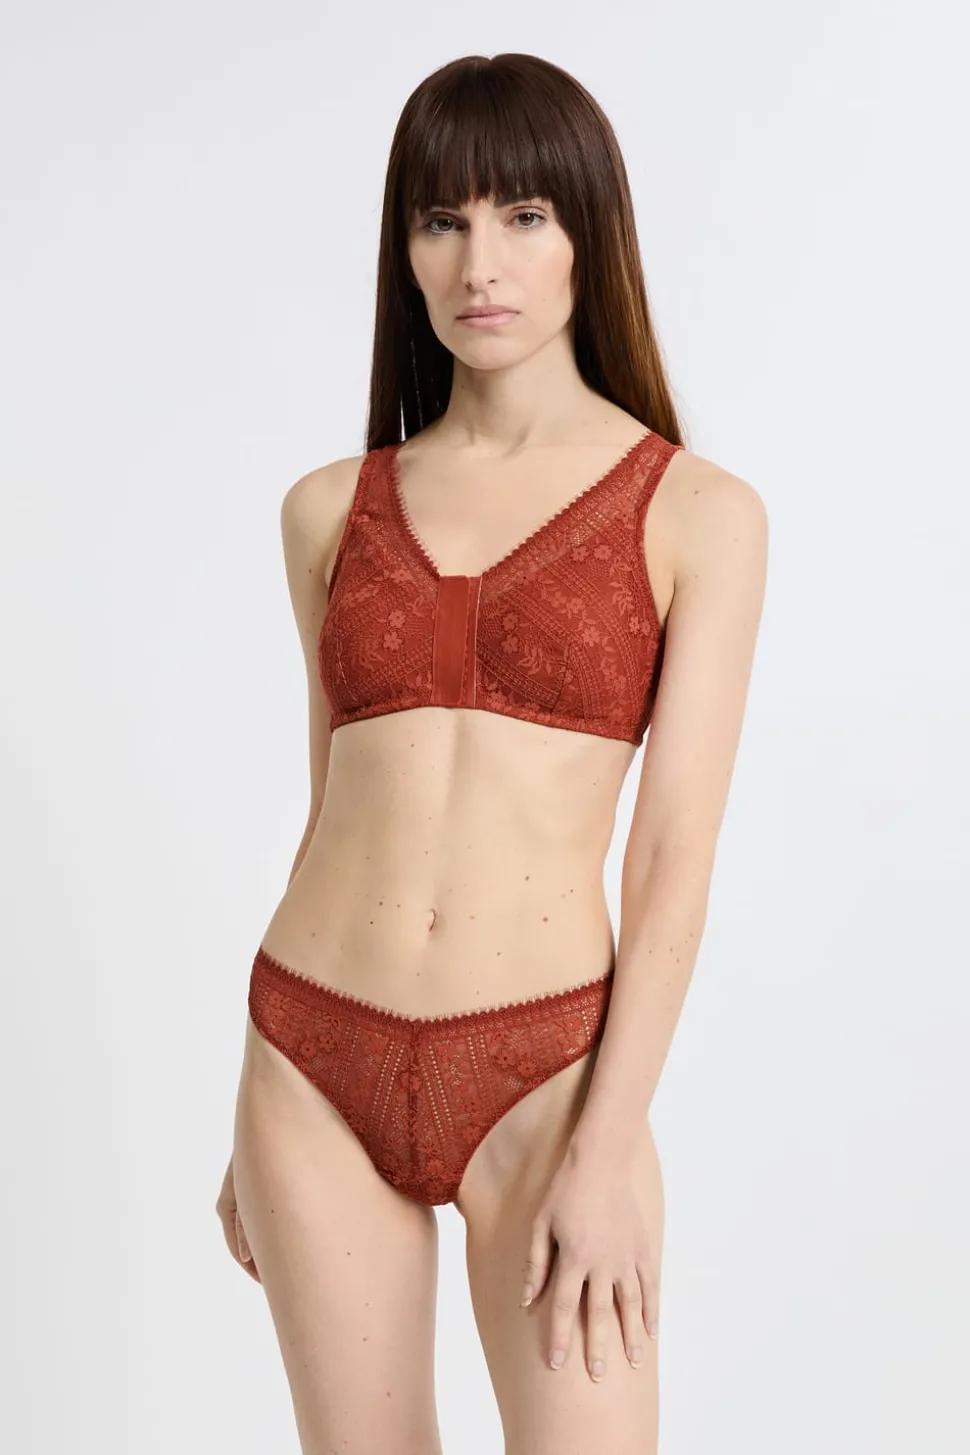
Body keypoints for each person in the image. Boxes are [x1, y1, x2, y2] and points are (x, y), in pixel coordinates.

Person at [215, 50, 768, 1455]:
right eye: (440, 220)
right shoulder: (327, 510)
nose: (480, 263)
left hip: (546, 1072)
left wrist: (608, 1149)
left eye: (524, 215)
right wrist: (251, 1123)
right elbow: (333, 800)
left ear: (590, 232)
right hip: (309, 1055)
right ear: (402, 248)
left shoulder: (696, 513)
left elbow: (673, 855)